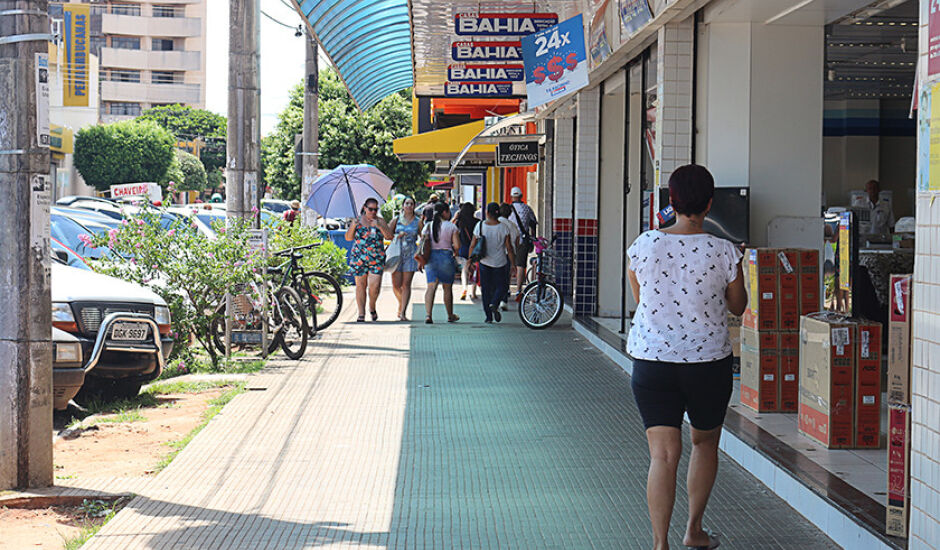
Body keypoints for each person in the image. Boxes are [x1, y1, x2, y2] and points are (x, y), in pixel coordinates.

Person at [626, 164, 747, 550]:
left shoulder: (644, 244)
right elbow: (738, 307)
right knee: (704, 443)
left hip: (652, 362)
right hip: (707, 364)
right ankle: (693, 531)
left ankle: (659, 544)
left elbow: (640, 296)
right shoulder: (725, 251)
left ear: (671, 202)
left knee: (662, 455)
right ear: (709, 204)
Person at [345, 198, 393, 322]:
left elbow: (389, 236)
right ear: (364, 208)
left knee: (374, 286)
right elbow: (348, 238)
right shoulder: (357, 220)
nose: (373, 212)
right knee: (360, 286)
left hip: (376, 258)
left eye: (375, 209)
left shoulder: (380, 220)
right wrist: (353, 226)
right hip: (359, 257)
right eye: (370, 209)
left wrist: (380, 226)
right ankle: (361, 313)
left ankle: (372, 306)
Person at [470, 202, 515, 323]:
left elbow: (473, 245)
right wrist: (513, 264)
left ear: (487, 212)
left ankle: (488, 317)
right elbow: (509, 248)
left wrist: (470, 261)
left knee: (486, 289)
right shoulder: (503, 228)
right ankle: (495, 303)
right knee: (502, 286)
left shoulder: (480, 226)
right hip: (500, 262)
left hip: (484, 262)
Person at [422, 202, 460, 324]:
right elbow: (457, 245)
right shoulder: (451, 227)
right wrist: (455, 251)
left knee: (431, 287)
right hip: (446, 257)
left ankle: (428, 315)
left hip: (431, 257)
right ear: (445, 212)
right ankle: (450, 315)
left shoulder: (428, 225)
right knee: (447, 288)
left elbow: (423, 241)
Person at [390, 197, 419, 321]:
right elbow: (387, 234)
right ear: (402, 206)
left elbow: (423, 238)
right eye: (406, 203)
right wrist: (397, 235)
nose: (409, 206)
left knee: (406, 284)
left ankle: (403, 312)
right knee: (396, 285)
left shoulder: (418, 221)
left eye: (411, 204)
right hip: (397, 255)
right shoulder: (396, 220)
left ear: (414, 206)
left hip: (411, 254)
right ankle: (401, 304)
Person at [509, 187, 537, 299]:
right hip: (522, 241)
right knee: (520, 266)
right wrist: (533, 237)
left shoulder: (508, 209)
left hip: (510, 240)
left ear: (511, 197)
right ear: (521, 196)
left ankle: (506, 289)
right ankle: (518, 290)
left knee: (508, 264)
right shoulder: (527, 209)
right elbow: (533, 224)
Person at [454, 203, 480, 301]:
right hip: (475, 248)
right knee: (474, 270)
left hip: (463, 248)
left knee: (464, 270)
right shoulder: (477, 222)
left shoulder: (459, 222)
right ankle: (473, 293)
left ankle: (464, 289)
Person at [498, 203, 521, 309]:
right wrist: (514, 261)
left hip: (495, 254)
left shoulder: (495, 223)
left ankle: (495, 299)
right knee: (505, 278)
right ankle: (503, 300)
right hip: (508, 255)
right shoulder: (513, 225)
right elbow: (516, 243)